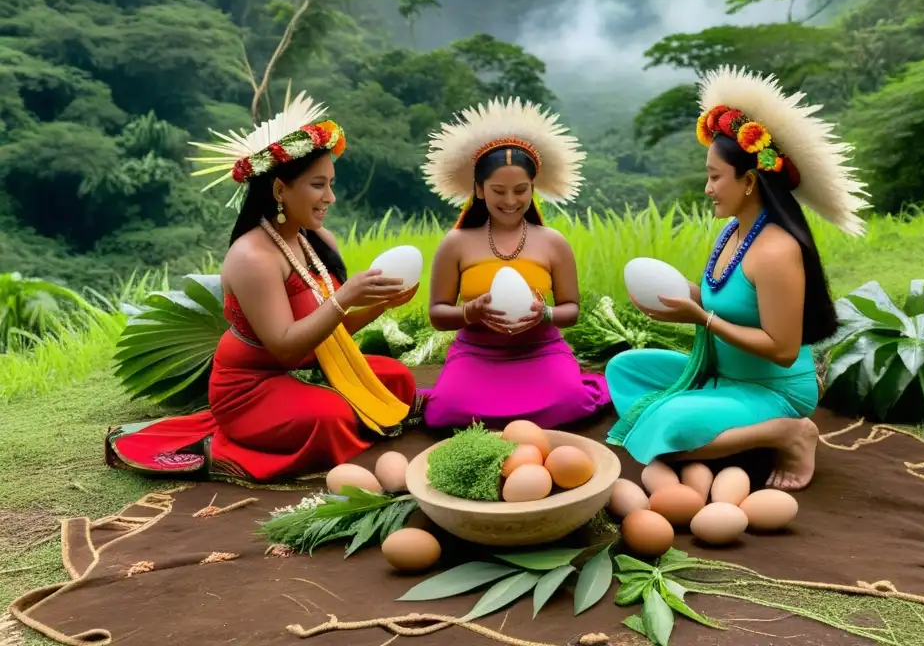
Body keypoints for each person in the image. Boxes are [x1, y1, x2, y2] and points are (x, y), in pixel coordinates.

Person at [105, 91, 418, 483]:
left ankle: (330, 414)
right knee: (330, 417)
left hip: (310, 367)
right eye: (318, 185)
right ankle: (217, 449)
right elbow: (287, 349)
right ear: (279, 190)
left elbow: (327, 336)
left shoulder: (316, 240)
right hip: (252, 387)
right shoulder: (253, 257)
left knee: (397, 380)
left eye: (332, 184)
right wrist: (344, 297)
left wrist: (379, 305)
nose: (330, 198)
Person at [605, 66, 870, 491]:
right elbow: (724, 300)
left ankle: (788, 433)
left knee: (666, 427)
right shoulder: (733, 231)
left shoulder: (776, 251)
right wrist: (675, 299)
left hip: (773, 387)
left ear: (748, 180)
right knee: (625, 370)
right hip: (725, 377)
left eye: (714, 177)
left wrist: (700, 317)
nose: (707, 188)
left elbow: (782, 351)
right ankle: (728, 430)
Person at [416, 97, 610, 429]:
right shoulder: (456, 243)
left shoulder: (552, 242)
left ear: (533, 188)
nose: (510, 201)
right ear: (478, 190)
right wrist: (470, 312)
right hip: (477, 353)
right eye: (498, 191)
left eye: (521, 190)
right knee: (446, 413)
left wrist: (544, 314)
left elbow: (571, 310)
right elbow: (438, 315)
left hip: (541, 350)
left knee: (571, 402)